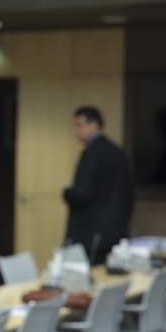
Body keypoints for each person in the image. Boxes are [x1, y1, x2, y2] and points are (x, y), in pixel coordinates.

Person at [64, 106, 133, 264]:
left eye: (79, 125)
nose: (76, 131)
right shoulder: (117, 151)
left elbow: (82, 193)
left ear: (94, 124)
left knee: (84, 281)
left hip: (89, 233)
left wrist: (67, 192)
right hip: (114, 231)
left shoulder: (92, 153)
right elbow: (128, 195)